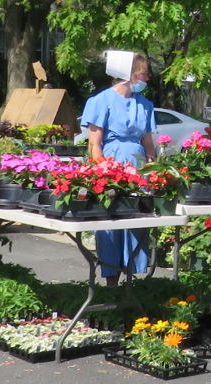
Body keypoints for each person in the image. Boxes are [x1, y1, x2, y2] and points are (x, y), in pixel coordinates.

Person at [80, 52, 156, 287]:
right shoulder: (101, 101)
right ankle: (111, 281)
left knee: (136, 221)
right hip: (111, 164)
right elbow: (95, 142)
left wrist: (153, 167)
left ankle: (133, 281)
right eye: (143, 74)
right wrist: (102, 170)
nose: (147, 79)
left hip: (137, 165)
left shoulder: (144, 104)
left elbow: (148, 141)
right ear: (129, 75)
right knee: (110, 221)